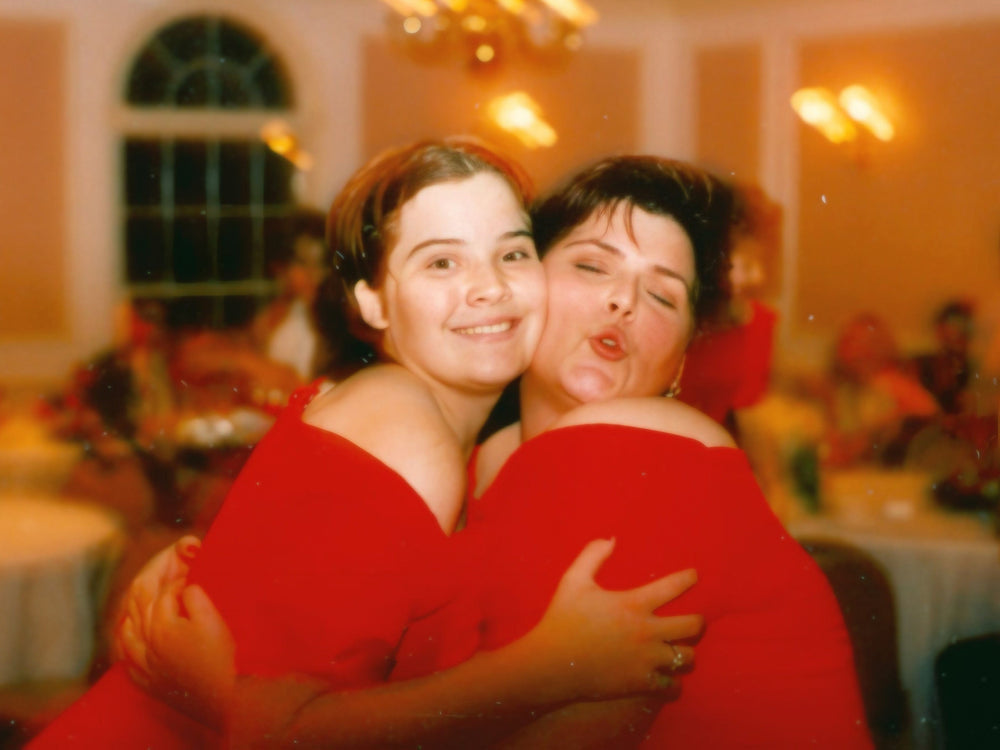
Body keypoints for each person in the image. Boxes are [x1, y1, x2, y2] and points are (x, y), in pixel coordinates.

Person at [117, 155, 871, 748]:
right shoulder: (485, 460)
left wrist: (220, 696)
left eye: (663, 295)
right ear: (526, 283)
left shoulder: (653, 449)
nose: (623, 302)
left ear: (677, 363)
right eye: (593, 265)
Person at [27, 139, 699, 749]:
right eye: (441, 261)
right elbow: (284, 734)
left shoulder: (436, 431)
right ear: (373, 303)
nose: (489, 286)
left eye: (512, 252)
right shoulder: (404, 423)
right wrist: (543, 672)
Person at [678, 180, 781, 436]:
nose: (758, 278)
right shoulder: (678, 319)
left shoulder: (758, 322)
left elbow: (748, 411)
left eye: (762, 262)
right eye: (746, 264)